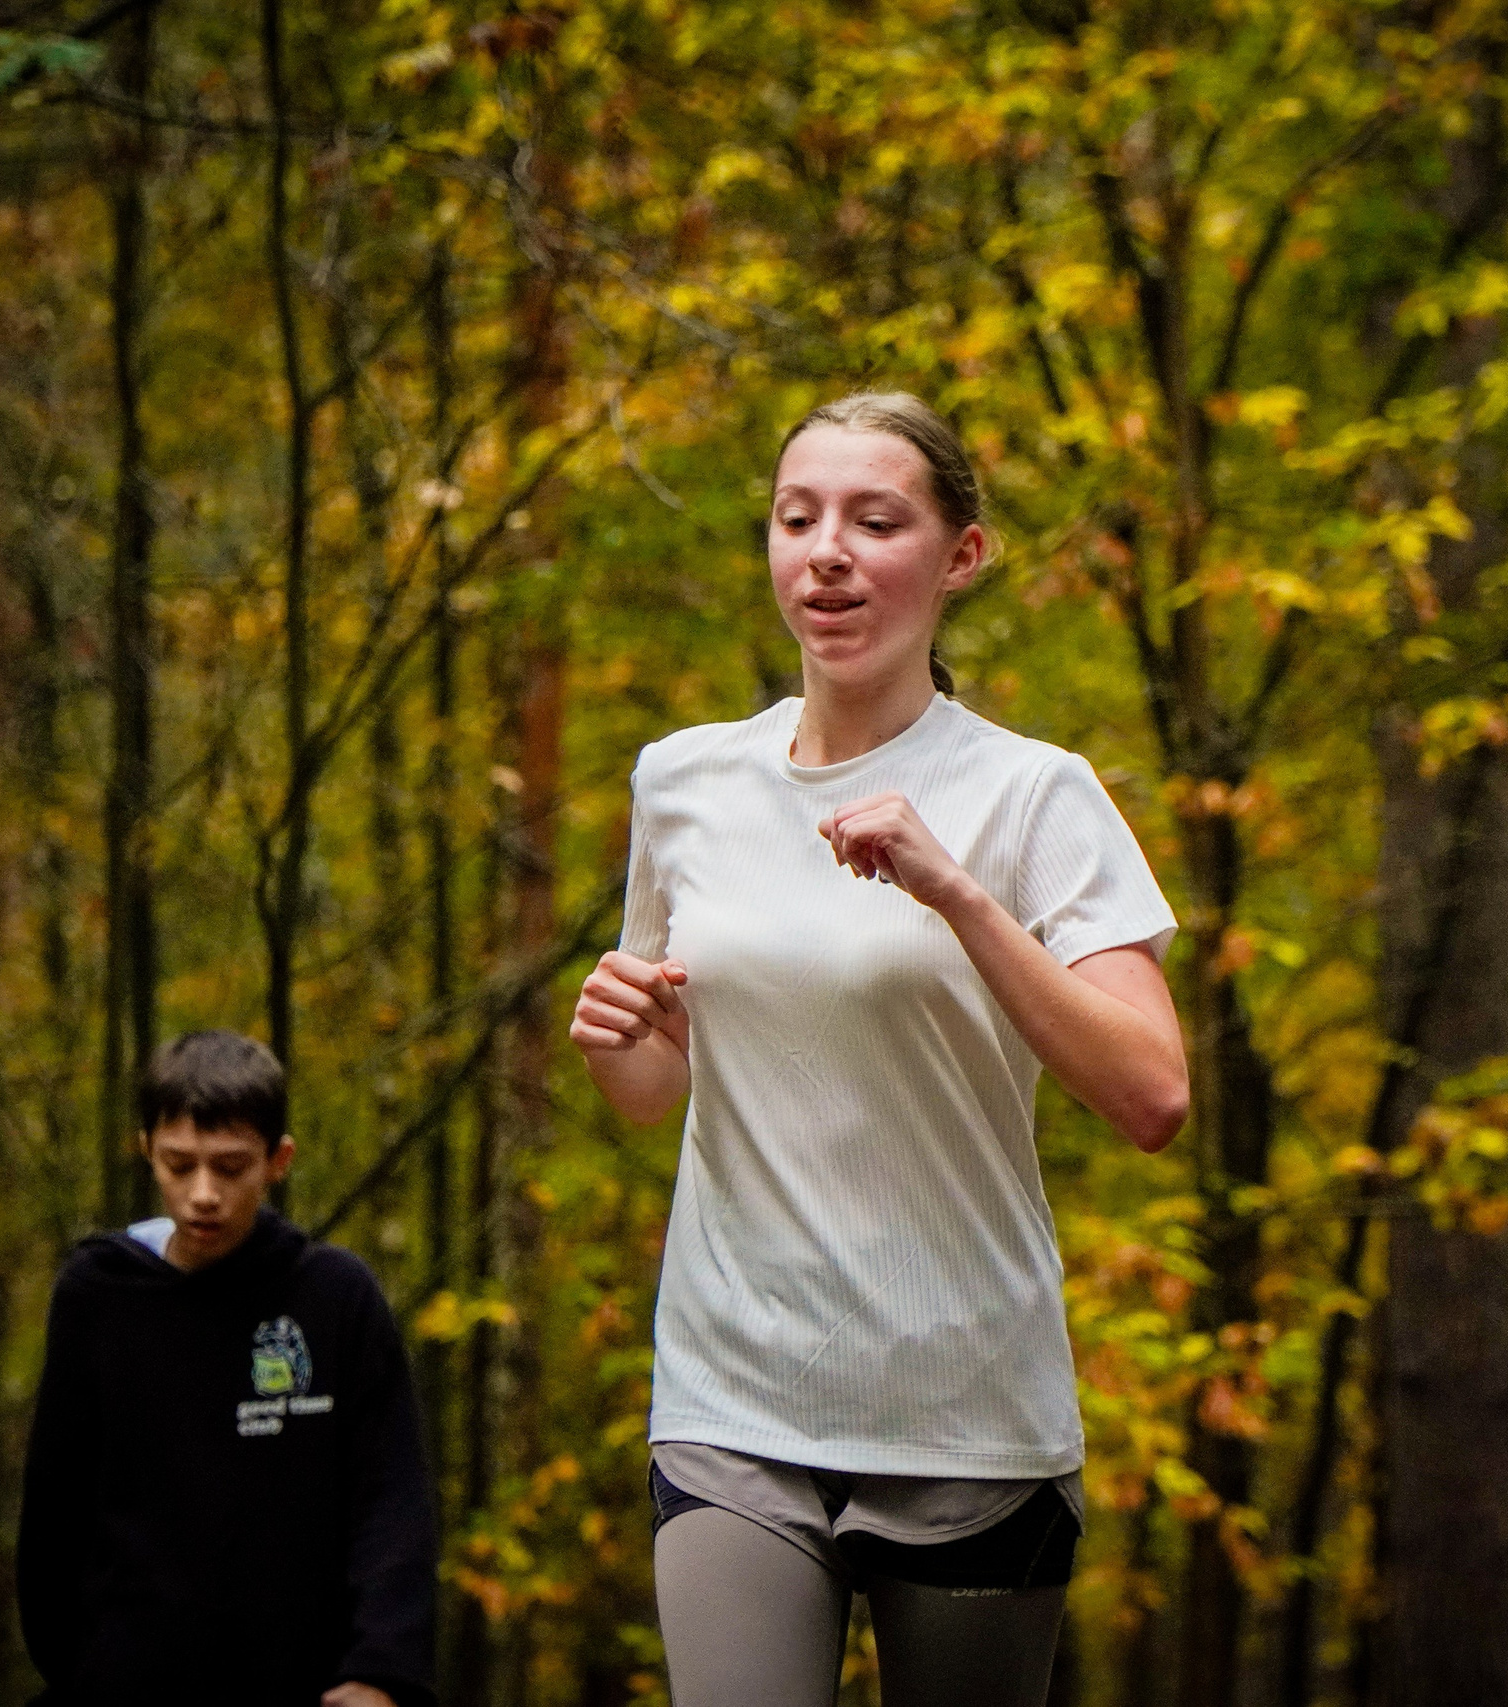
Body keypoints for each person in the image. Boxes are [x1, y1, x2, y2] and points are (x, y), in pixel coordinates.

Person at [570, 393, 1189, 1707]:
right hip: (735, 1396)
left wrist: (956, 892)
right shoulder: (681, 780)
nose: (827, 550)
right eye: (798, 519)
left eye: (875, 518)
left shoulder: (1034, 793)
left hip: (964, 1410)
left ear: (961, 555)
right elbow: (657, 1088)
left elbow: (1151, 1092)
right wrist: (621, 1037)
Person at [17, 1030, 437, 1707]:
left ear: (279, 1159)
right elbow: (55, 1511)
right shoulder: (98, 1295)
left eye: (231, 1166)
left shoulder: (334, 1299)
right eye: (180, 1165)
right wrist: (79, 1667)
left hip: (304, 1680)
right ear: (147, 1150)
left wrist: (382, 1669)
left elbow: (390, 1501)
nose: (203, 1193)